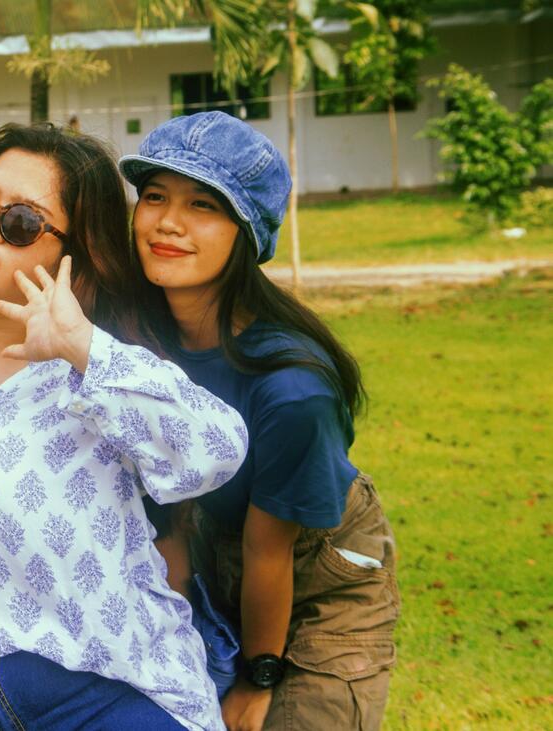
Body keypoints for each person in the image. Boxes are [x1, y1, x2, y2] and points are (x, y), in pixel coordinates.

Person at [0, 123, 249, 731]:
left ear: (73, 254)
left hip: (100, 697)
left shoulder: (94, 374)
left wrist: (82, 347)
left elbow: (216, 451)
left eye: (23, 222)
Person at [117, 111, 400, 731]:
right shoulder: (136, 341)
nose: (168, 222)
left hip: (316, 564)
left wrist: (256, 675)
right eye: (155, 196)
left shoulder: (293, 388)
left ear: (247, 235)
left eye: (204, 206)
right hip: (211, 540)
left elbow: (268, 549)